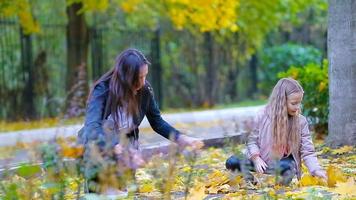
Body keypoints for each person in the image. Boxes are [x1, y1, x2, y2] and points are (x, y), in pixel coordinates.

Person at [78, 48, 203, 197]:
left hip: (126, 152)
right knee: (104, 195)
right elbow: (92, 127)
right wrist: (114, 147)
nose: (142, 82)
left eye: (145, 76)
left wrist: (182, 138)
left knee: (123, 195)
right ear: (125, 76)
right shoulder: (103, 90)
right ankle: (101, 188)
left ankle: (115, 188)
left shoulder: (144, 91)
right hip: (101, 150)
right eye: (138, 78)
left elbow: (157, 122)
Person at [226, 78, 326, 185]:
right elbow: (251, 140)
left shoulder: (300, 122)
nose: (297, 107)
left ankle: (280, 187)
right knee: (232, 162)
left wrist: (315, 170)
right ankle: (251, 181)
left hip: (280, 163)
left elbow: (307, 150)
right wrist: (256, 158)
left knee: (289, 168)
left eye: (299, 103)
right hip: (260, 160)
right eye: (294, 103)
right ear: (281, 101)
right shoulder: (262, 115)